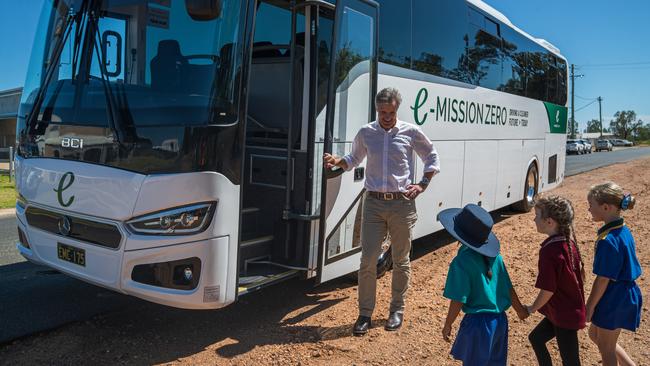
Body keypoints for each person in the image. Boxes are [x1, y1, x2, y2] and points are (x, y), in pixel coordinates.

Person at [323, 87, 440, 335]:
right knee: (367, 261)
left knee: (400, 260)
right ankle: (365, 314)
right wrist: (337, 162)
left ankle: (396, 310)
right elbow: (353, 159)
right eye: (382, 112)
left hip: (402, 204)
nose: (386, 116)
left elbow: (431, 156)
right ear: (377, 109)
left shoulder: (411, 132)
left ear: (397, 108)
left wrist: (422, 184)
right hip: (374, 203)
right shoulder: (367, 132)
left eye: (391, 112)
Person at [439, 204, 528, 366]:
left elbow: (458, 299)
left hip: (477, 325)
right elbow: (508, 287)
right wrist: (520, 310)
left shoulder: (461, 262)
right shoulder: (497, 258)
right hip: (500, 321)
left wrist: (448, 324)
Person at [585, 182, 642, 366]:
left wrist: (590, 306)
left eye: (591, 204)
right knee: (595, 334)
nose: (589, 208)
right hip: (624, 293)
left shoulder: (607, 241)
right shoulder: (622, 229)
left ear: (606, 207)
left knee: (606, 347)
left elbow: (602, 280)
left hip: (615, 296)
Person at [526, 196, 586, 366]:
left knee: (571, 361)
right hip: (562, 311)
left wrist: (531, 308)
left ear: (550, 221)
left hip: (564, 315)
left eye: (537, 215)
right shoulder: (568, 243)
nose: (534, 219)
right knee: (536, 338)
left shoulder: (550, 251)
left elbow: (548, 290)